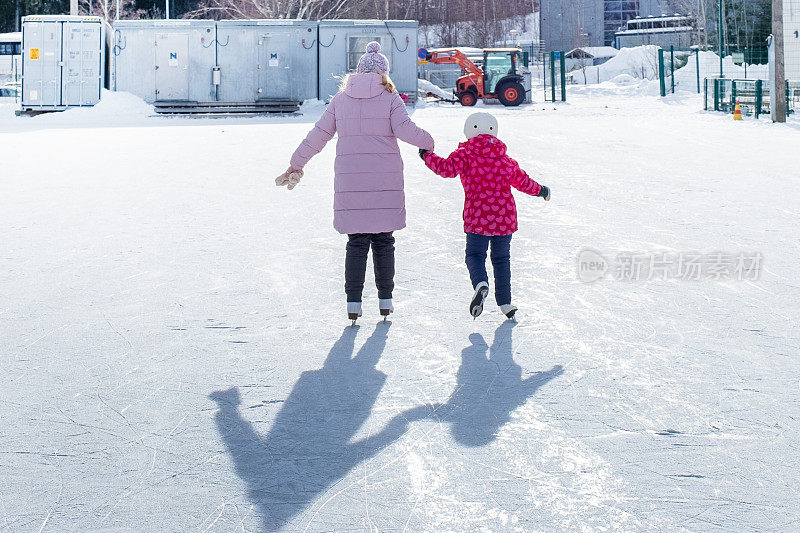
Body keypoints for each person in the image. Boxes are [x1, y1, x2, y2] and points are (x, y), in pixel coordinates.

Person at [277, 42, 434, 323]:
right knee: (384, 241)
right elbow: (406, 130)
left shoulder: (340, 99)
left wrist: (296, 163)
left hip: (351, 184)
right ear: (384, 72)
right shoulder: (390, 97)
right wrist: (429, 142)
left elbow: (318, 134)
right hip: (385, 182)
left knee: (357, 243)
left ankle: (353, 303)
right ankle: (385, 300)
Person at [419, 112, 550, 320]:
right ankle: (506, 303)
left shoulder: (465, 154)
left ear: (469, 130)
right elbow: (524, 182)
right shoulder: (505, 159)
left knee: (474, 256)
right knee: (501, 260)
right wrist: (542, 190)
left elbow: (446, 169)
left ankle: (481, 283)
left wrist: (427, 155)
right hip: (504, 219)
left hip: (477, 218)